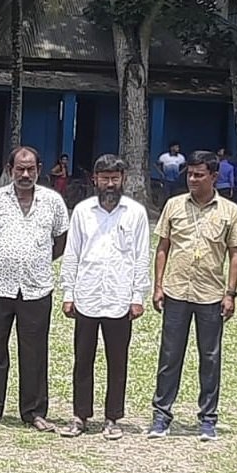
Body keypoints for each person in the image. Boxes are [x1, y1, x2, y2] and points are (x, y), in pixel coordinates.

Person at [149, 150, 237, 440]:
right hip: (176, 291)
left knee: (210, 358)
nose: (192, 179)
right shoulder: (174, 205)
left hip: (211, 295)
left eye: (199, 175)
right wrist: (158, 286)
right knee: (170, 356)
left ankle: (208, 418)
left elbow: (235, 255)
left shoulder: (230, 211)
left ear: (214, 176)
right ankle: (161, 415)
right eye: (190, 174)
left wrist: (230, 294)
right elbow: (163, 248)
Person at [0, 146, 69, 430]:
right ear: (9, 169)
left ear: (39, 169)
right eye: (20, 169)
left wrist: (36, 261)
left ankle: (34, 411)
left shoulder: (53, 201)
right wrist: (3, 261)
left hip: (36, 288)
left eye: (30, 169)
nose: (25, 174)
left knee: (35, 351)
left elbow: (61, 242)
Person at [57, 154, 149, 440]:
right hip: (87, 295)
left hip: (120, 298)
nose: (110, 184)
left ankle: (113, 418)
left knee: (117, 362)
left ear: (123, 180)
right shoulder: (82, 211)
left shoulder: (135, 213)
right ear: (95, 179)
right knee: (82, 360)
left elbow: (141, 256)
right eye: (105, 178)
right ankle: (80, 416)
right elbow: (72, 254)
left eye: (115, 178)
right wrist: (68, 293)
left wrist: (137, 296)